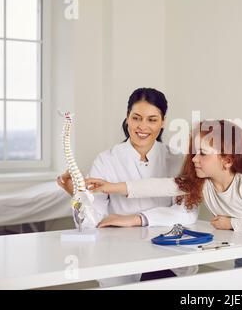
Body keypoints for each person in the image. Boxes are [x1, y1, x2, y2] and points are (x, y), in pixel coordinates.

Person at [86, 120, 242, 267]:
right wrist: (110, 187)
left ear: (227, 160)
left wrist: (230, 224)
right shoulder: (203, 183)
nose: (195, 159)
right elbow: (157, 186)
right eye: (194, 152)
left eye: (203, 154)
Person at [57, 87, 198, 286]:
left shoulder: (177, 160)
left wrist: (136, 219)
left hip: (169, 258)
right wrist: (77, 195)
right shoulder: (106, 160)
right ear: (127, 118)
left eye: (152, 119)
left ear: (163, 121)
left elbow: (188, 212)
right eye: (136, 118)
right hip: (121, 258)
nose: (143, 126)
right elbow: (92, 222)